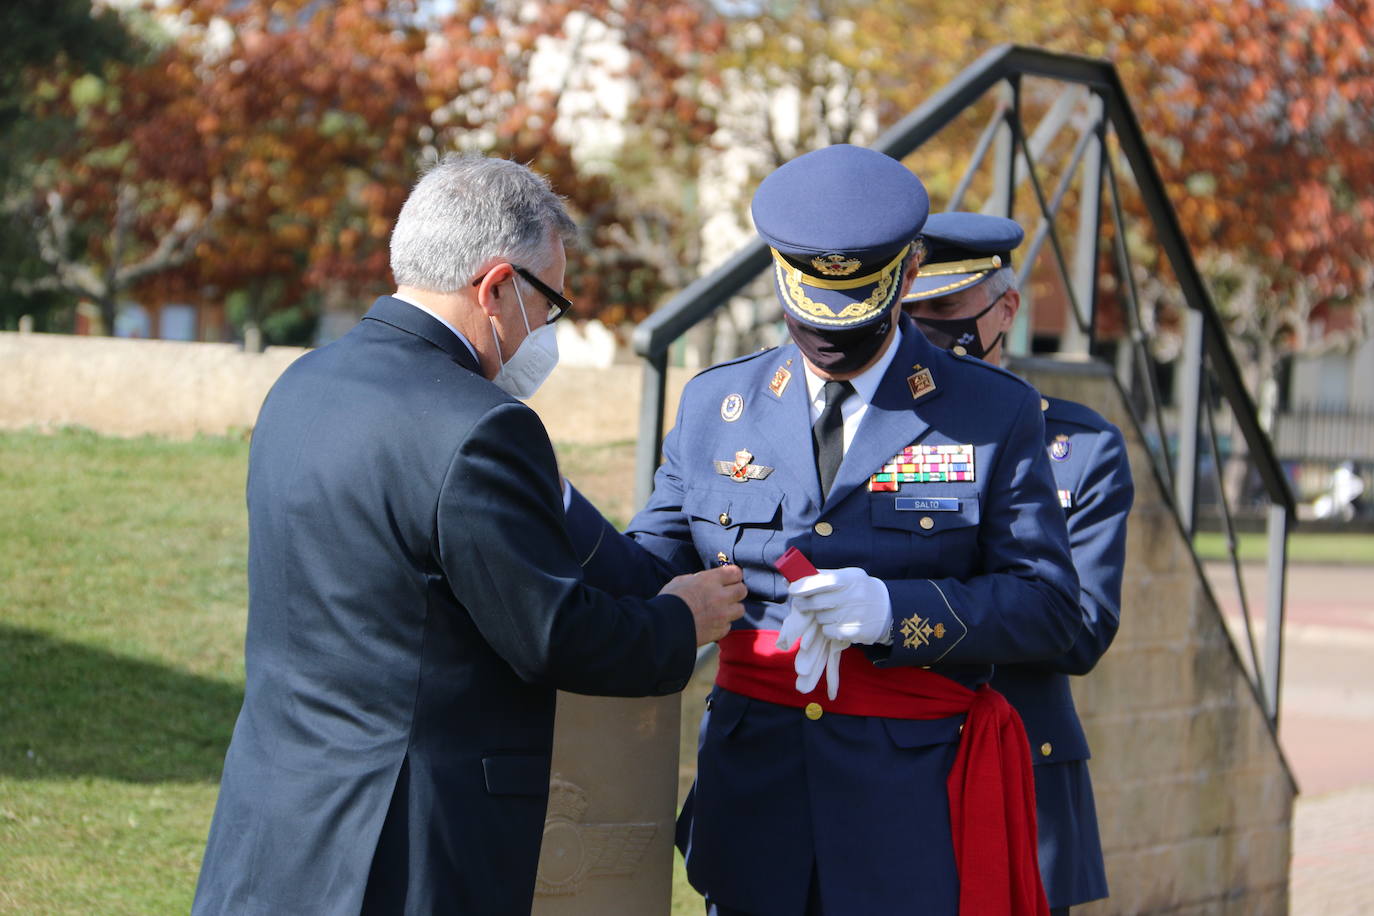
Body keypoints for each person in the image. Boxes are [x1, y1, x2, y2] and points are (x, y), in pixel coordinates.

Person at [191, 153, 746, 916]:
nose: (545, 330)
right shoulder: (484, 425)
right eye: (550, 304)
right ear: (496, 288)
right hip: (407, 837)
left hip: (278, 816)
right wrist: (681, 619)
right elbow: (552, 634)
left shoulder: (302, 384)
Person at [563, 145, 1081, 915]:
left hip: (906, 803)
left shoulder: (989, 413)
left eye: (855, 317)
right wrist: (555, 511)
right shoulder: (718, 405)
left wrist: (895, 612)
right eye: (810, 317)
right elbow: (647, 571)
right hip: (755, 796)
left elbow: (1048, 606)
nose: (831, 340)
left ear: (906, 275)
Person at [902, 211, 1135, 916]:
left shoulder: (1078, 447)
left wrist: (916, 606)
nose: (925, 329)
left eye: (944, 308)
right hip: (888, 755)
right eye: (909, 311)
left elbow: (1083, 627)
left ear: (1006, 308)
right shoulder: (875, 435)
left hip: (1016, 769)